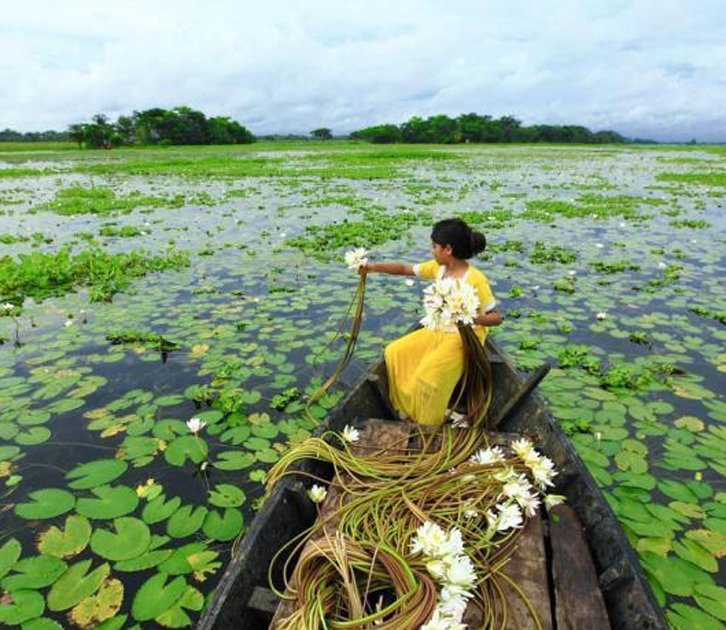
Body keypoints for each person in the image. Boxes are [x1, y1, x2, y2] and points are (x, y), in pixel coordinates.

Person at [361, 218, 502, 426]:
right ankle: (411, 410)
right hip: (438, 330)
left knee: (428, 379)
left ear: (448, 249)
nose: (432, 251)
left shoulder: (476, 278)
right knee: (394, 352)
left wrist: (468, 316)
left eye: (434, 246)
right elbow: (403, 269)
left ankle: (429, 424)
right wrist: (370, 267)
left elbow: (496, 317)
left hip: (463, 338)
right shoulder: (438, 269)